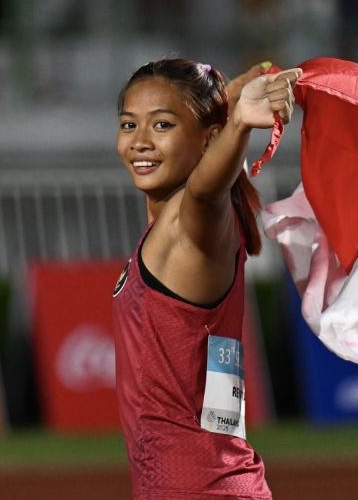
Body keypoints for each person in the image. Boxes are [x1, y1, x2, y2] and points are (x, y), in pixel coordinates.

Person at [112, 58, 301, 499]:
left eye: (161, 126)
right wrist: (225, 104)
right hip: (215, 482)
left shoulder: (191, 225)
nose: (139, 142)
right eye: (128, 125)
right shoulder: (176, 228)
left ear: (207, 140)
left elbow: (204, 190)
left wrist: (237, 127)